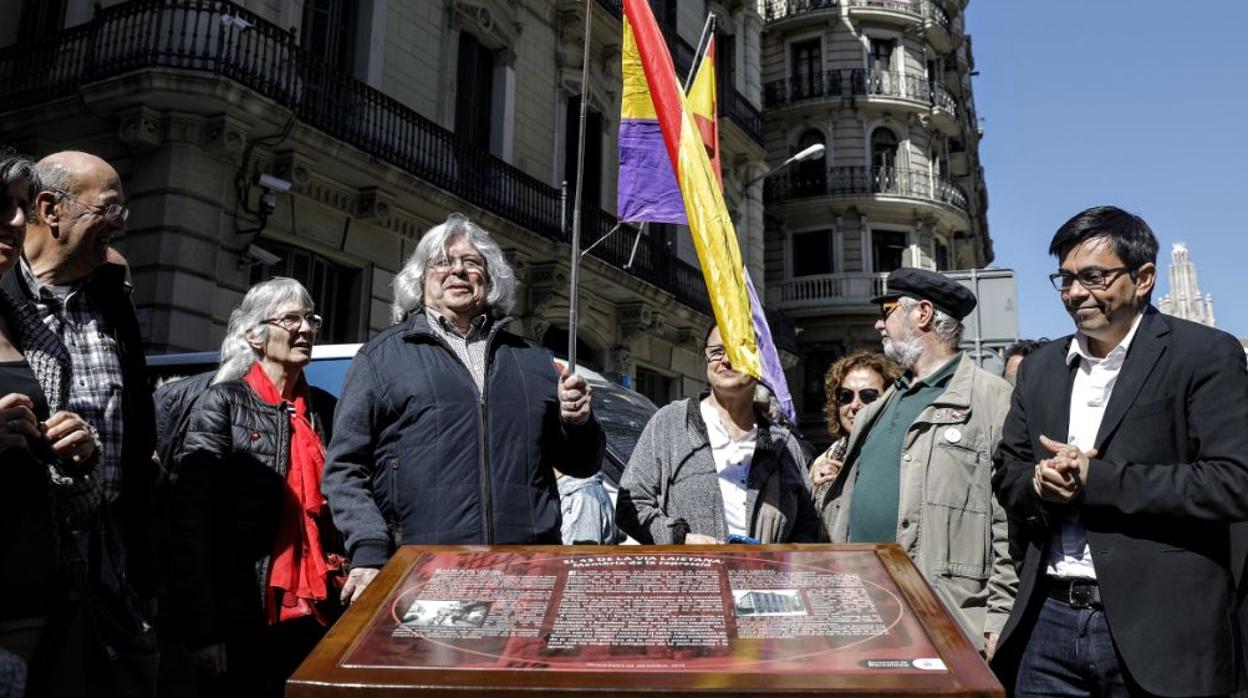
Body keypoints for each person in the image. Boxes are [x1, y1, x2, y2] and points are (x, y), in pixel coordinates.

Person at [991, 206, 1248, 697]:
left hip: (1164, 633)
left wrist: (1097, 479)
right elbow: (1008, 471)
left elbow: (1233, 482)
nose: (1074, 293)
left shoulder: (1203, 355)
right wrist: (1040, 484)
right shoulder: (1040, 369)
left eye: (1093, 277)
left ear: (1144, 277)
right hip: (1047, 625)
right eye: (1064, 279)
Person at [323, 213, 603, 602]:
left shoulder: (534, 361)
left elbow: (581, 464)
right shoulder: (381, 358)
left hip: (526, 572)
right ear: (421, 280)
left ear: (490, 279)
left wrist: (579, 422)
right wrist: (368, 549)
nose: (457, 270)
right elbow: (345, 467)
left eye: (472, 262)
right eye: (442, 262)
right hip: (422, 572)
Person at [817, 267, 1015, 656]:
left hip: (944, 618)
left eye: (888, 310)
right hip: (860, 611)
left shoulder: (992, 399)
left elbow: (1009, 518)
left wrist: (998, 617)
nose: (879, 323)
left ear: (922, 314)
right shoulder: (884, 404)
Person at [170, 277, 342, 696]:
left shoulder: (326, 409)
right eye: (290, 319)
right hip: (245, 613)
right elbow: (192, 522)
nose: (304, 329)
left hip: (321, 608)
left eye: (310, 319)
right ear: (255, 335)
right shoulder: (224, 402)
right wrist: (203, 629)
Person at [2, 151, 159, 599]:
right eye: (109, 209)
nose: (120, 224)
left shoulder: (113, 297)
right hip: (23, 554)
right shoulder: (5, 295)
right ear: (51, 210)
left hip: (110, 556)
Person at [0, 150, 99, 692]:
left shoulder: (30, 327)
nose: (17, 222)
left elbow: (65, 487)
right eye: (2, 206)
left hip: (30, 601)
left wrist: (81, 455)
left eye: (20, 207)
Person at [615, 325, 820, 545]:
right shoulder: (670, 422)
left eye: (737, 350)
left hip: (762, 577)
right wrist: (680, 539)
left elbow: (807, 525)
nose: (725, 360)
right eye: (716, 351)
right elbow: (630, 505)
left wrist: (776, 563)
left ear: (760, 362)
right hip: (691, 577)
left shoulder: (784, 444)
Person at [808, 351, 902, 502]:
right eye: (846, 395)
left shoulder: (905, 453)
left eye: (868, 396)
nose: (855, 405)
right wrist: (813, 489)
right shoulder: (825, 460)